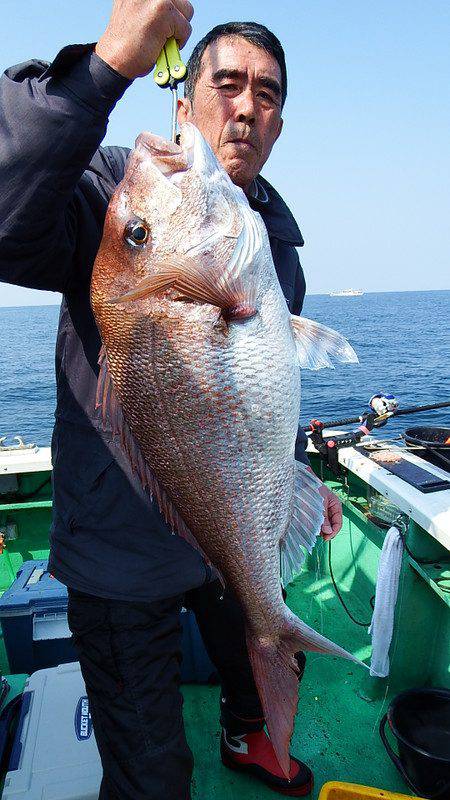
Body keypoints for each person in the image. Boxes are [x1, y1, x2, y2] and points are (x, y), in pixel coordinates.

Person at [0, 3, 343, 798]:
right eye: (226, 84)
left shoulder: (266, 238)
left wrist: (296, 480)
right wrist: (110, 61)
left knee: (255, 650)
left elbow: (255, 402)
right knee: (152, 776)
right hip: (120, 549)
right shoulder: (113, 192)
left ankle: (248, 731)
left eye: (267, 94)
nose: (247, 106)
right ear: (182, 104)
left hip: (218, 528)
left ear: (280, 124)